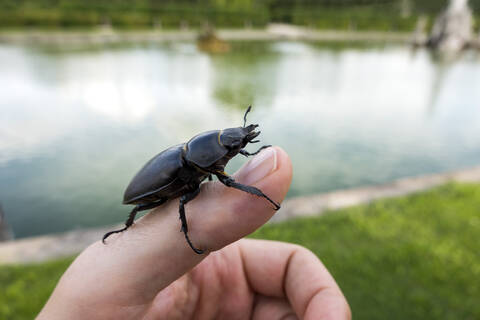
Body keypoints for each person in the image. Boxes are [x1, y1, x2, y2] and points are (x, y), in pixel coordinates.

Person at [37, 147, 351, 319]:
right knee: (178, 204)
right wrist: (256, 192)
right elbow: (220, 182)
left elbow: (218, 160)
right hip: (152, 189)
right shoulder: (190, 165)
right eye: (230, 147)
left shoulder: (199, 156)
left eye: (236, 146)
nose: (235, 149)